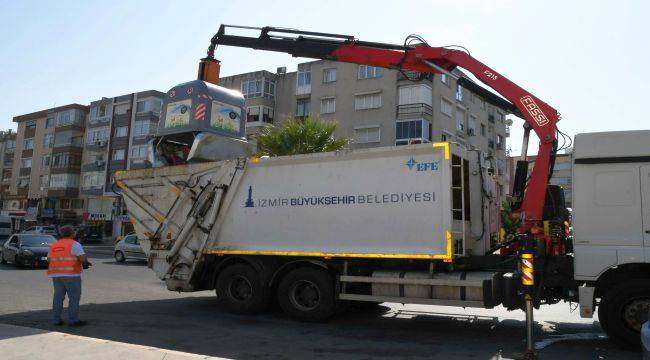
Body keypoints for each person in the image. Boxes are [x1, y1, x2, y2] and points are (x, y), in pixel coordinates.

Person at [47, 225, 91, 326]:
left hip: (56, 275)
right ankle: (73, 320)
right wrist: (86, 263)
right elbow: (83, 258)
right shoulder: (74, 244)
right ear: (72, 233)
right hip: (71, 275)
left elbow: (49, 259)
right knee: (74, 298)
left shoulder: (54, 245)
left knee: (58, 298)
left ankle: (56, 320)